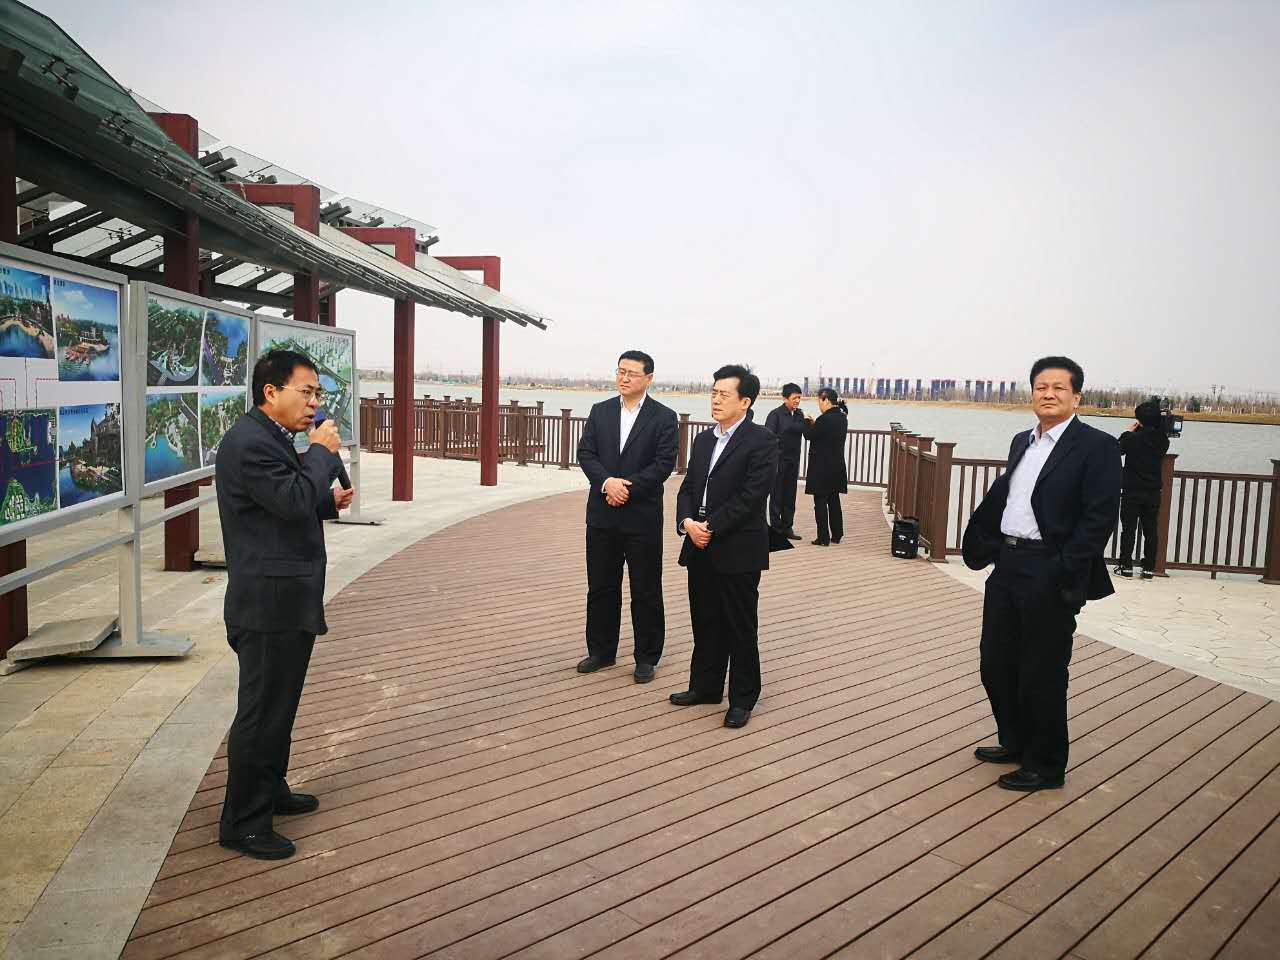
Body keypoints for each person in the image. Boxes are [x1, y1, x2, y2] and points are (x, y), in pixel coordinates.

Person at [215, 350, 355, 859]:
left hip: (285, 597)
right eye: (306, 392)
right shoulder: (250, 442)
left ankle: (270, 789)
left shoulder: (271, 437)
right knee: (261, 712)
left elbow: (284, 500)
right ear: (271, 392)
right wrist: (319, 454)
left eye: (318, 393)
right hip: (267, 601)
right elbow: (291, 500)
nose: (314, 403)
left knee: (280, 706)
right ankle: (244, 823)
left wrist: (324, 500)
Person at [962, 356, 1121, 792]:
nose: (1048, 394)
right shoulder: (1023, 441)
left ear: (1076, 397)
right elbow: (1010, 498)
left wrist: (1063, 568)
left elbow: (1099, 518)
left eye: (1058, 388)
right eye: (1040, 387)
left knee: (1042, 671)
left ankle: (1046, 764)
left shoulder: (1097, 446)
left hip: (1049, 568)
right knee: (996, 663)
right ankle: (1015, 742)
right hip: (1009, 564)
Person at [671, 364, 778, 729]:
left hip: (737, 546)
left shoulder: (762, 440)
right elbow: (688, 488)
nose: (715, 400)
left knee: (739, 625)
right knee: (705, 620)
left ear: (745, 401)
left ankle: (742, 699)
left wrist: (711, 526)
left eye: (724, 394)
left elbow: (752, 496)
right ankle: (705, 687)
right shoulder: (703, 440)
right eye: (713, 393)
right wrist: (687, 522)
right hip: (698, 542)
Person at [575, 350, 679, 682]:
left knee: (646, 589)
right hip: (602, 514)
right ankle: (601, 652)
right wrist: (607, 483)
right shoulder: (600, 411)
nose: (624, 378)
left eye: (632, 373)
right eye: (620, 371)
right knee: (601, 587)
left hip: (641, 516)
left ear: (648, 378)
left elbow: (663, 464)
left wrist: (626, 489)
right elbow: (586, 453)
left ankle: (646, 657)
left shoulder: (664, 417)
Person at [1117, 400, 1170, 579]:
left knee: (1128, 529)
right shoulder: (1163, 440)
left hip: (1131, 490)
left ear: (1138, 419)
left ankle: (1126, 566)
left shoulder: (1131, 438)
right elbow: (1158, 437)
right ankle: (1148, 569)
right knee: (1151, 530)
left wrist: (1129, 432)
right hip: (1153, 492)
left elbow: (1117, 449)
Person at [802, 387, 849, 546]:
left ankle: (823, 538)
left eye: (819, 401)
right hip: (837, 466)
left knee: (820, 501)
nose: (819, 405)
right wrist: (814, 423)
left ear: (826, 400)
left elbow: (809, 435)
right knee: (834, 500)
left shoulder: (824, 419)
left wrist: (806, 421)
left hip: (821, 467)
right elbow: (825, 434)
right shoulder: (842, 417)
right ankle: (837, 534)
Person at [765, 383, 805, 540]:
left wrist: (807, 422)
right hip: (778, 461)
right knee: (776, 495)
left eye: (799, 398)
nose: (797, 401)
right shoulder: (775, 414)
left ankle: (787, 527)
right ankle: (776, 528)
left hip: (793, 460)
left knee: (790, 495)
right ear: (785, 398)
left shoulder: (799, 414)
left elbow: (805, 431)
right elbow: (769, 437)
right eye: (795, 398)